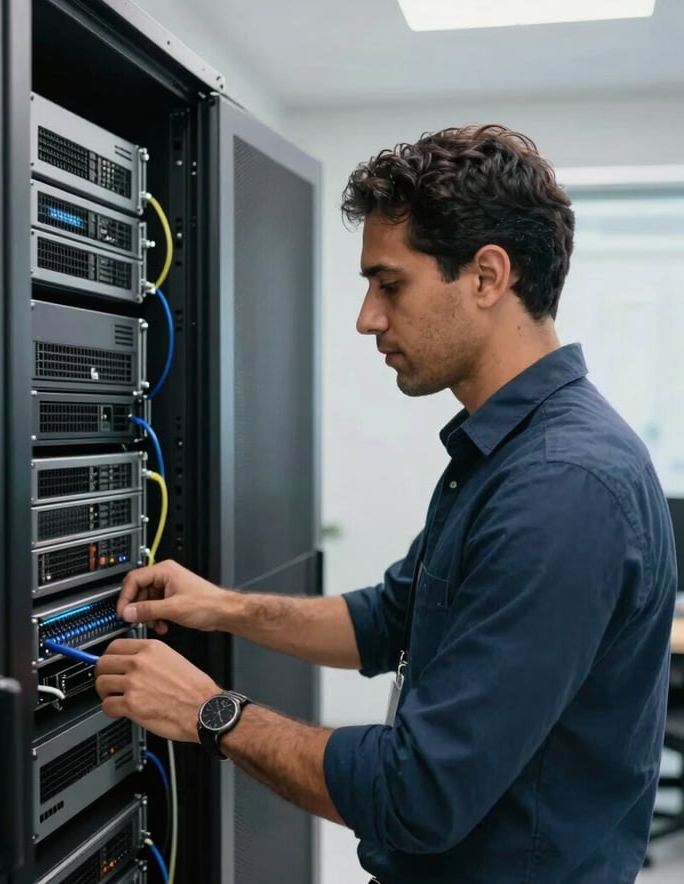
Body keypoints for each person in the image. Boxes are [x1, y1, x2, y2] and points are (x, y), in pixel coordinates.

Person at [95, 124, 677, 883]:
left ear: (486, 276)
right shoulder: (504, 451)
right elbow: (386, 622)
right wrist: (225, 608)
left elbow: (421, 791)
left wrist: (213, 712)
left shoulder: (561, 486)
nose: (367, 317)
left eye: (389, 283)